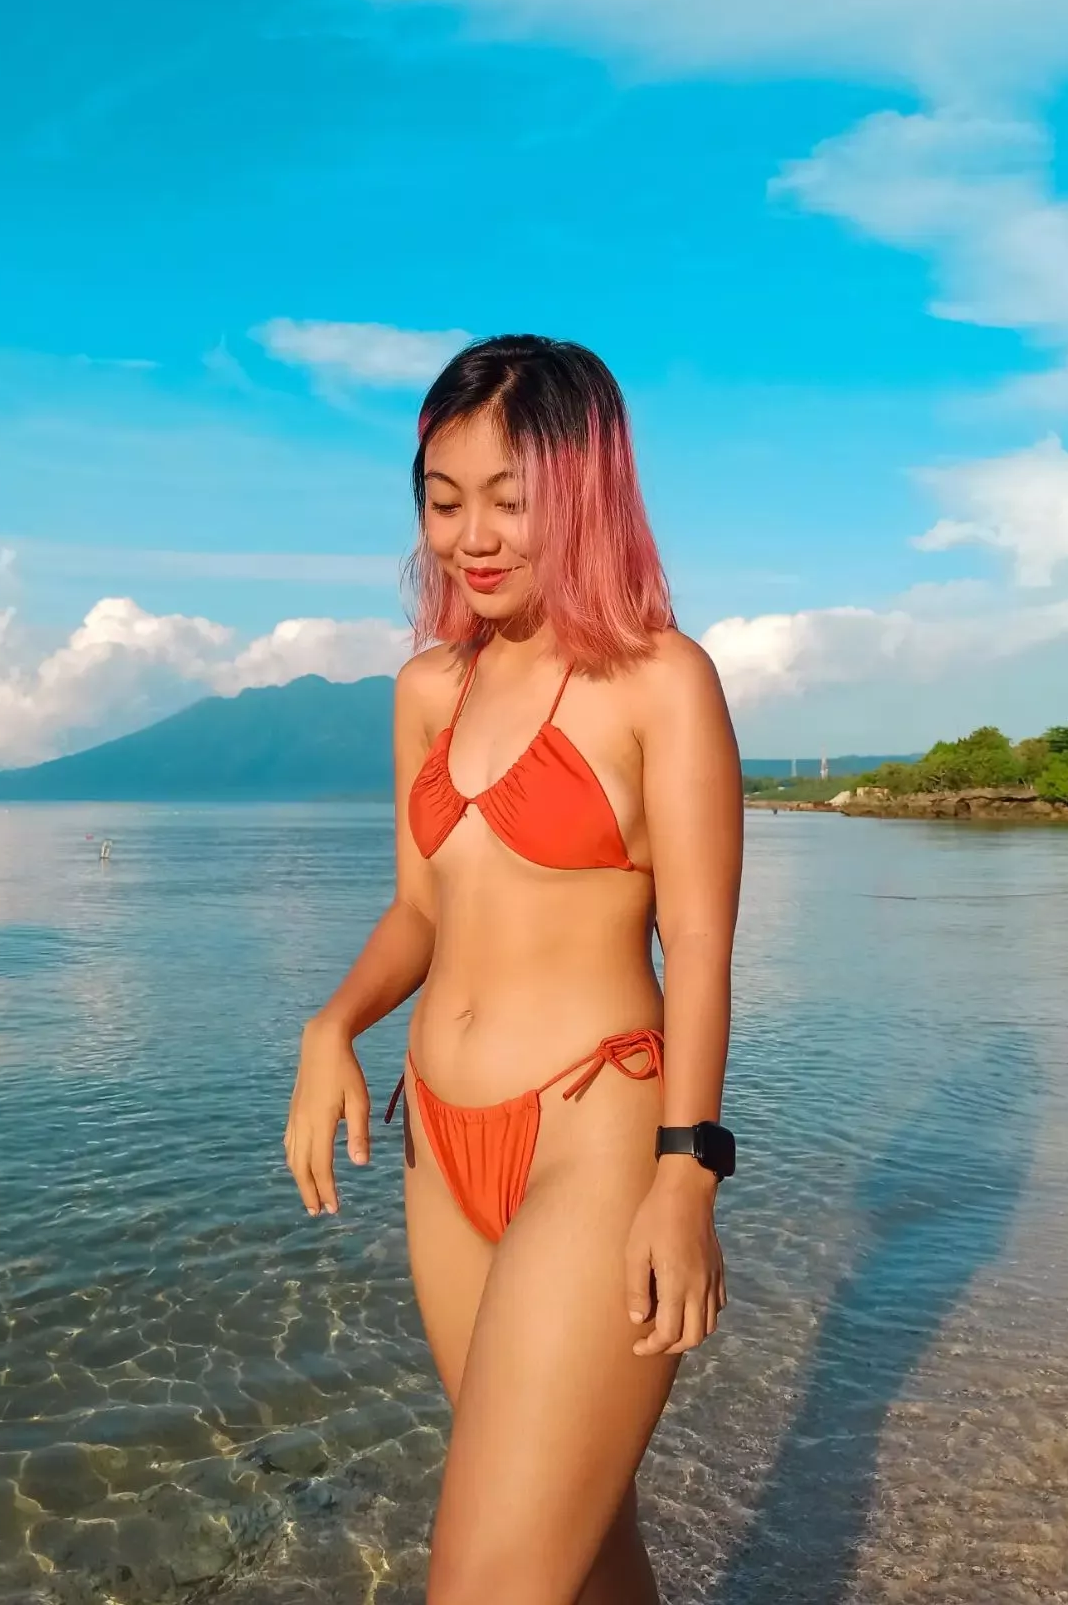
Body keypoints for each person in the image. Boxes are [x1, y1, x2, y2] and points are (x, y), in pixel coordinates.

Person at [284, 335, 742, 1605]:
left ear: (584, 494)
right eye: (443, 500)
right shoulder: (430, 687)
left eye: (509, 499)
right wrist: (337, 1023)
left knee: (486, 1583)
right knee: (581, 1546)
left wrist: (685, 1173)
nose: (470, 537)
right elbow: (420, 909)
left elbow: (698, 944)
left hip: (593, 1141)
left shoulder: (660, 682)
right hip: (442, 1147)